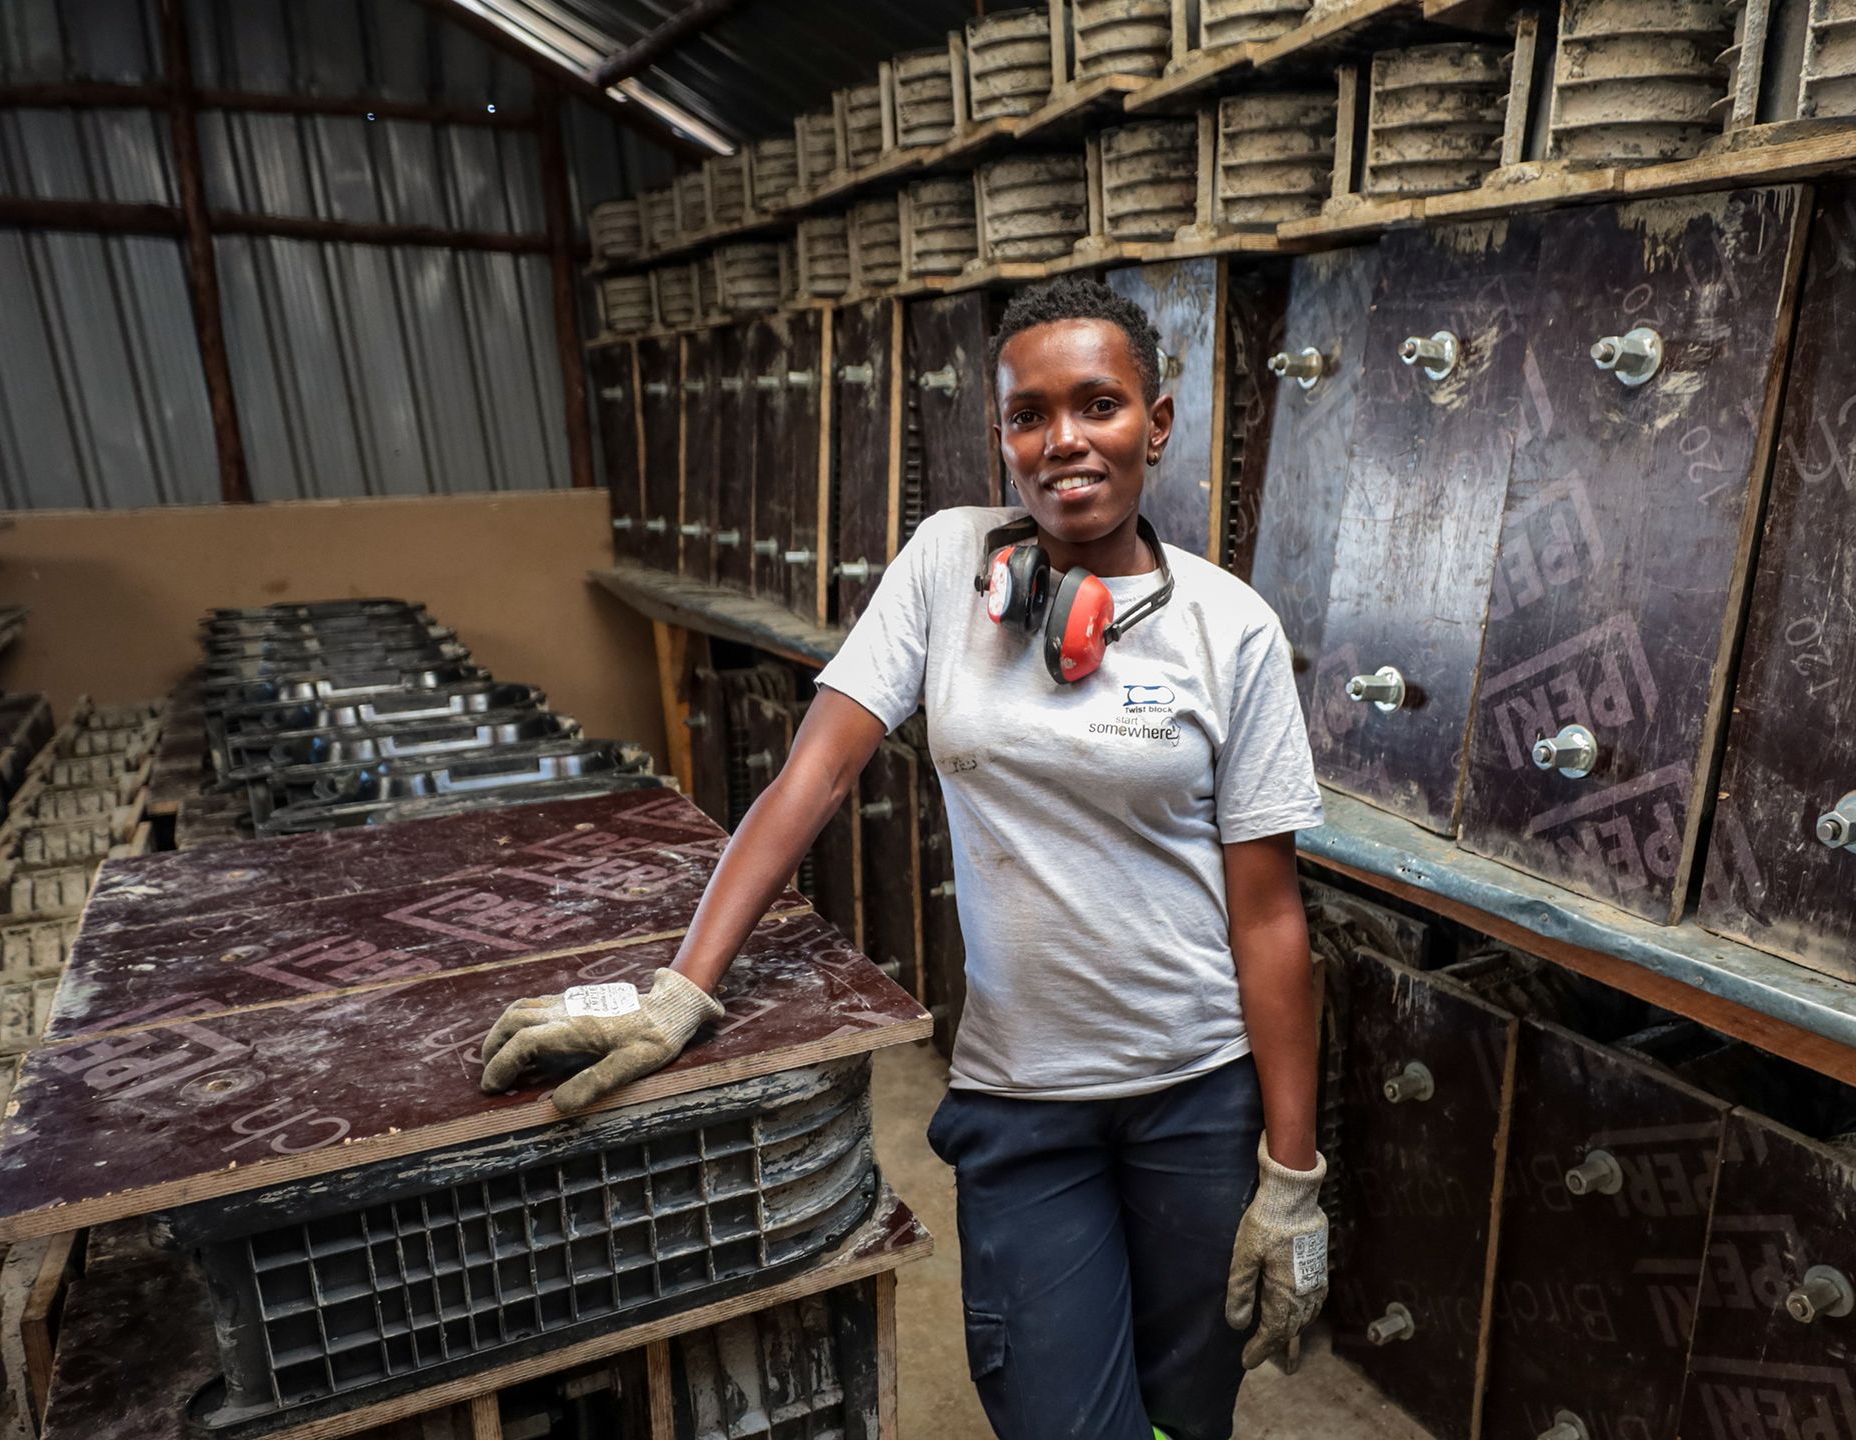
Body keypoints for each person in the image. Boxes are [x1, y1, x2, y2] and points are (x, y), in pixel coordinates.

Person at [478, 277, 1330, 1440]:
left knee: (1188, 1408)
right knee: (1059, 1416)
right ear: (1001, 435)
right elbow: (813, 778)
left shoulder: (1231, 629)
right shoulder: (947, 565)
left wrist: (1291, 1177)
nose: (1064, 440)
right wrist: (683, 989)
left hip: (1196, 1097)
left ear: (1158, 422)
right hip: (1022, 1101)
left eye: (1098, 405)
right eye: (1029, 414)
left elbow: (1269, 916)